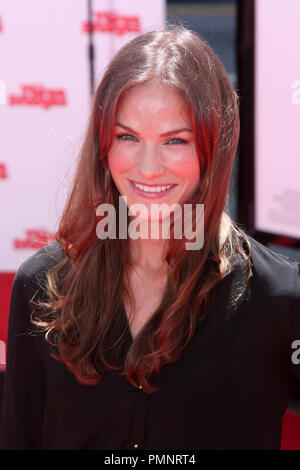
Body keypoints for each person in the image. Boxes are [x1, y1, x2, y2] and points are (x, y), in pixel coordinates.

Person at [0, 24, 300, 451]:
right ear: (103, 145)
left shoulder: (280, 298)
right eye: (128, 137)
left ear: (214, 148)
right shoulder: (40, 287)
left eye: (175, 140)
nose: (149, 167)